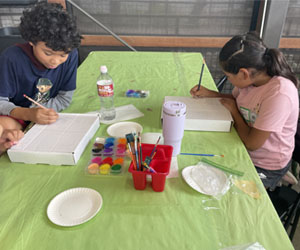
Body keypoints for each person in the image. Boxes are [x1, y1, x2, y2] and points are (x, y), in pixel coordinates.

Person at [190, 31, 299, 190]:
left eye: (228, 76)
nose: (228, 79)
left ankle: (280, 178)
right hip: (241, 144)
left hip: (264, 165)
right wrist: (211, 94)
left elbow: (252, 143)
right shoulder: (252, 80)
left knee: (221, 190)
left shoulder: (279, 95)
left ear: (243, 73)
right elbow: (238, 101)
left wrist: (234, 111)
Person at [0, 1, 82, 153]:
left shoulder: (72, 56)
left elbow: (65, 98)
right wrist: (27, 114)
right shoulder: (11, 58)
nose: (55, 61)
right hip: (12, 114)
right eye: (48, 53)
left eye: (63, 55)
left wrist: (40, 114)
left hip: (38, 114)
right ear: (32, 41)